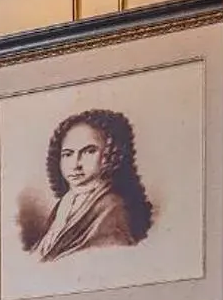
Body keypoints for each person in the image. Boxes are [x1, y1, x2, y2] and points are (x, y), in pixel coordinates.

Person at [29, 108, 153, 262]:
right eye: (68, 154)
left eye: (88, 152)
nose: (75, 164)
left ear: (110, 154)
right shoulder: (65, 203)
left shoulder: (112, 208)